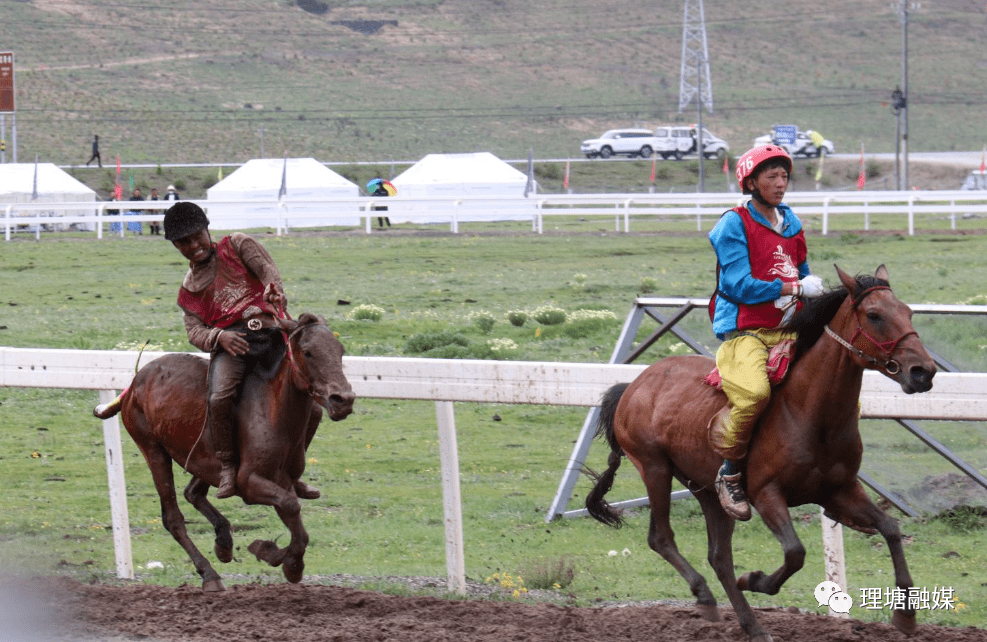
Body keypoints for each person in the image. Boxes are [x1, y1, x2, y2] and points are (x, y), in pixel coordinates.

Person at [163, 202, 320, 500]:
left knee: (311, 407)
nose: (194, 245)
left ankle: (291, 474)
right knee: (219, 396)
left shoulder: (237, 245)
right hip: (232, 344)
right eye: (184, 242)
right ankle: (227, 465)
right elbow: (194, 332)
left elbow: (267, 270)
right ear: (175, 245)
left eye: (197, 236)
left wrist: (273, 289)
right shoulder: (189, 290)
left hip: (271, 330)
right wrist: (219, 337)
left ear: (207, 229)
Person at [707, 144, 824, 521]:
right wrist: (793, 288)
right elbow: (739, 284)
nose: (780, 183)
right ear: (751, 181)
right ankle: (729, 473)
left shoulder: (791, 221)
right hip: (746, 332)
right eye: (771, 176)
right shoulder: (733, 224)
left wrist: (809, 285)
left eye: (784, 176)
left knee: (833, 381)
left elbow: (801, 271)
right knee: (755, 394)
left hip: (788, 329)